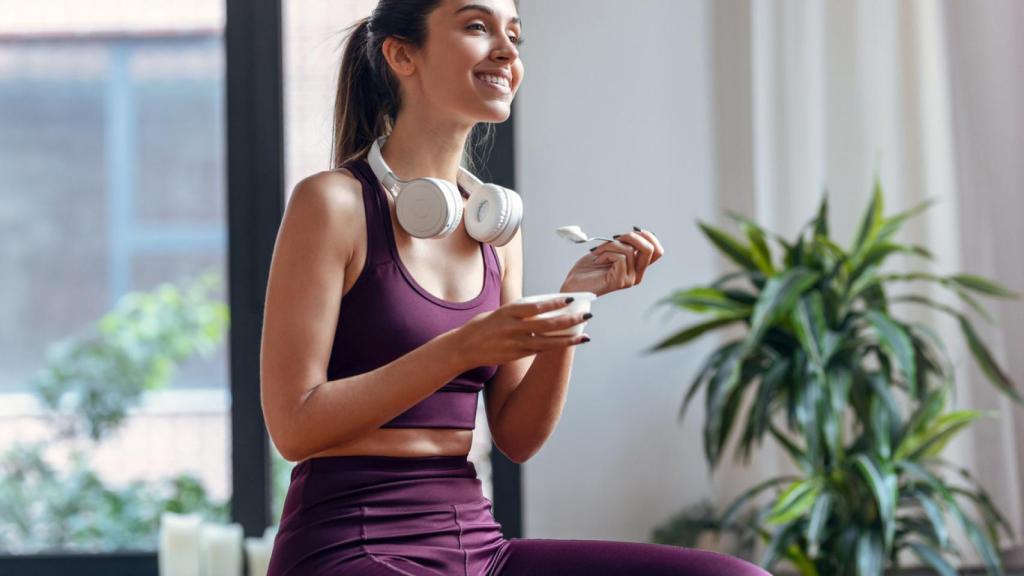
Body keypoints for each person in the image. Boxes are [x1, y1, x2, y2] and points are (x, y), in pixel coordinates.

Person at [261, 1, 771, 574]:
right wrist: (463, 348)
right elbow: (294, 426)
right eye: (477, 26)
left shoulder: (494, 228)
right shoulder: (332, 204)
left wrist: (575, 302)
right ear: (402, 53)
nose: (507, 50)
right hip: (350, 542)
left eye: (515, 35)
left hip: (476, 541)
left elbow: (517, 437)